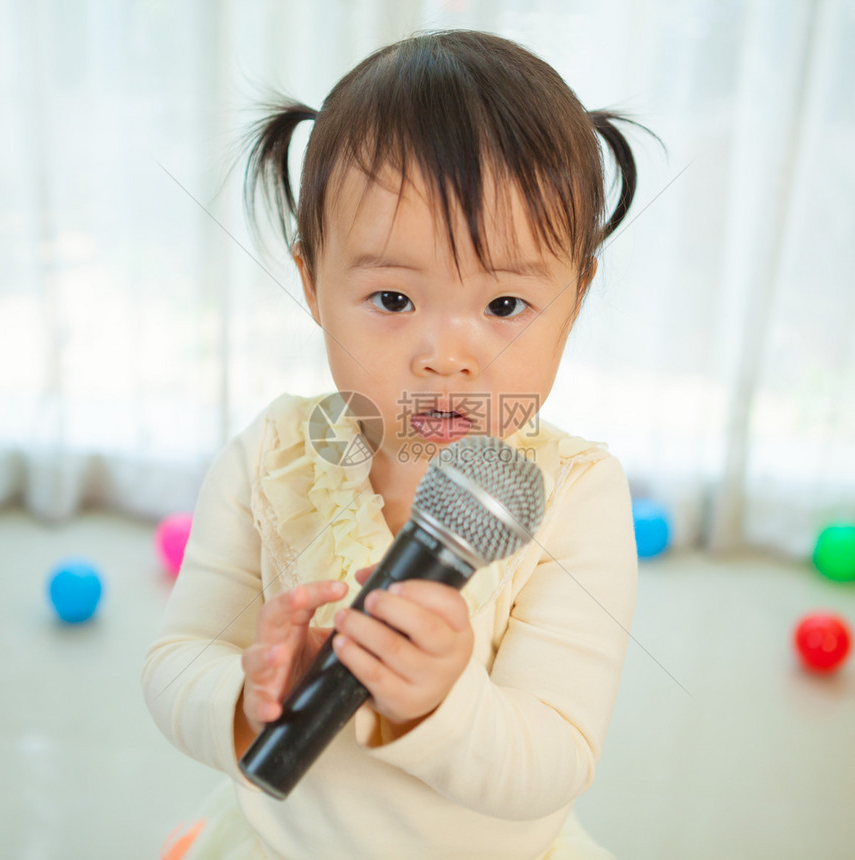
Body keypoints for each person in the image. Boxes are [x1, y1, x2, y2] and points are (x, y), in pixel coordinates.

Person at [143, 29, 652, 860]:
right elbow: (173, 663)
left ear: (576, 293)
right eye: (391, 297)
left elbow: (558, 754)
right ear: (312, 283)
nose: (446, 354)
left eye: (503, 306)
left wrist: (440, 703)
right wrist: (247, 692)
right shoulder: (273, 456)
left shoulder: (577, 497)